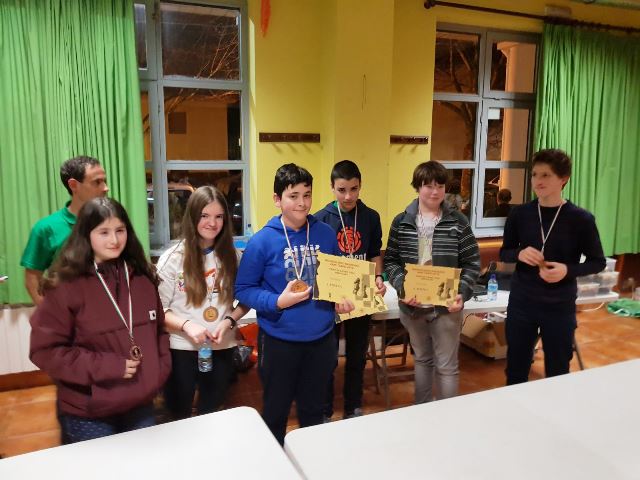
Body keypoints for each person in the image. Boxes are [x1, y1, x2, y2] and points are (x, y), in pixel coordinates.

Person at [29, 197, 171, 443]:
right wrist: (109, 367)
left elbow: (159, 331)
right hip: (89, 411)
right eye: (103, 232)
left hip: (140, 403)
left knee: (145, 462)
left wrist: (158, 372)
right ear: (86, 235)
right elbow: (45, 351)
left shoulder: (142, 278)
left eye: (120, 230)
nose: (114, 240)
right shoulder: (65, 285)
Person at [234, 163, 354, 445]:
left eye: (307, 195)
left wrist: (342, 298)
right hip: (279, 342)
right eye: (293, 196)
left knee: (314, 412)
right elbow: (244, 289)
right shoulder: (262, 241)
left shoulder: (325, 234)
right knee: (275, 412)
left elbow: (337, 278)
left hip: (321, 340)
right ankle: (275, 462)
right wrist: (277, 301)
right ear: (277, 199)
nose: (302, 203)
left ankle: (309, 461)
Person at [500, 149, 605, 384]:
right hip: (522, 303)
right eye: (535, 174)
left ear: (563, 179)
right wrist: (519, 253)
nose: (538, 181)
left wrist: (567, 270)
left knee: (557, 372)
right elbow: (505, 252)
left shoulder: (581, 219)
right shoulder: (519, 214)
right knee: (515, 369)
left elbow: (597, 262)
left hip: (559, 305)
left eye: (546, 175)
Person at [384, 161, 480, 403]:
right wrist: (403, 288)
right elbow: (391, 261)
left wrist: (462, 292)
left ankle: (447, 418)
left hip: (447, 308)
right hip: (413, 307)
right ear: (418, 187)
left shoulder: (458, 222)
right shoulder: (401, 221)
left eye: (440, 186)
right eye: (429, 186)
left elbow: (472, 263)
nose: (435, 192)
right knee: (422, 360)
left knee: (447, 367)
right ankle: (422, 413)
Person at [157, 186, 248, 420]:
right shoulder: (172, 258)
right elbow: (158, 309)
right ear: (192, 216)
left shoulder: (235, 257)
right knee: (179, 414)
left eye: (219, 216)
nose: (212, 223)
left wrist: (229, 321)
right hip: (181, 348)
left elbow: (247, 299)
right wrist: (187, 325)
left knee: (213, 413)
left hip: (221, 347)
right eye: (205, 215)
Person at [314, 160, 385, 420]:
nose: (348, 196)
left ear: (360, 186)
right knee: (327, 356)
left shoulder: (370, 217)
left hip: (361, 293)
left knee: (357, 355)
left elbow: (375, 253)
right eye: (342, 190)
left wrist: (379, 277)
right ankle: (324, 408)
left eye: (353, 189)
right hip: (330, 297)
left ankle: (353, 405)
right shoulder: (320, 219)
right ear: (332, 187)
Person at [21, 156, 108, 305]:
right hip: (70, 312)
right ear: (73, 185)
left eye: (105, 181)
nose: (105, 188)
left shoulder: (113, 222)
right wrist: (51, 313)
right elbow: (32, 278)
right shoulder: (46, 228)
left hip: (110, 309)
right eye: (97, 182)